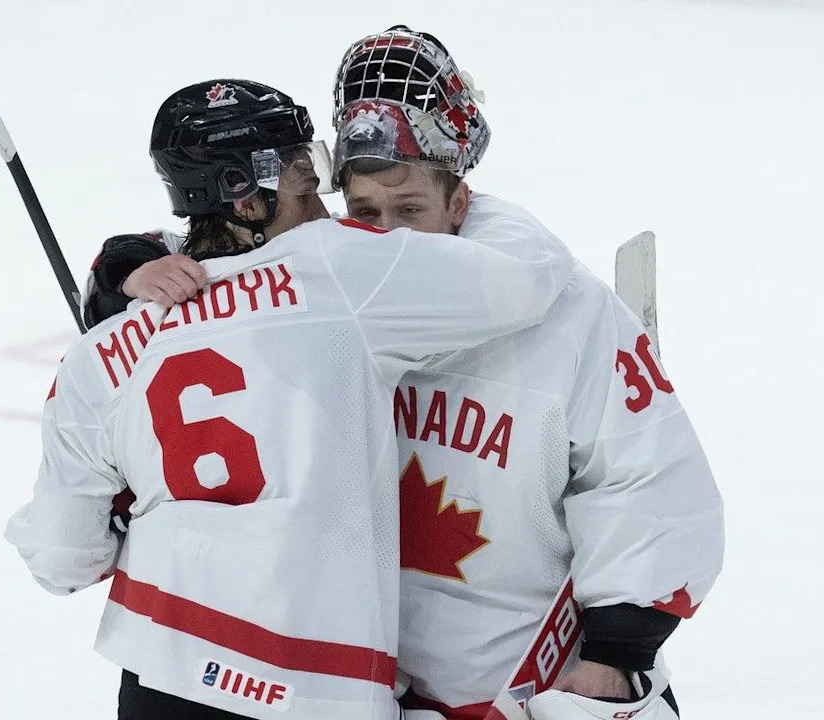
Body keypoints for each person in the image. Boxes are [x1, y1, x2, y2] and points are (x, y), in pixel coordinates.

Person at [91, 27, 725, 720]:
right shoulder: (328, 282)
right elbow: (219, 249)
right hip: (367, 691)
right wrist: (125, 271)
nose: (388, 233)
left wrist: (618, 652)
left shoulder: (561, 307)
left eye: (411, 210)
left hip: (540, 687)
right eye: (366, 213)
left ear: (461, 202)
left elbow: (648, 474)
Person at [5, 78, 574, 720]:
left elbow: (62, 560)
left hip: (162, 679)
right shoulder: (339, 269)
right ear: (246, 200)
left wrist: (118, 517)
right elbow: (527, 282)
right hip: (317, 692)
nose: (326, 203)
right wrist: (467, 199)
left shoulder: (103, 352)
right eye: (305, 181)